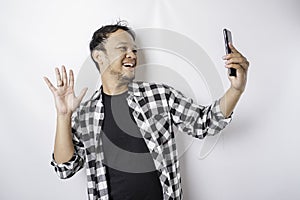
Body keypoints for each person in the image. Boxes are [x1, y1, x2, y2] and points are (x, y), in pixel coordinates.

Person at [43, 21, 249, 200]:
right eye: (122, 48)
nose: (132, 55)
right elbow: (65, 168)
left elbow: (205, 123)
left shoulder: (160, 95)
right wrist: (63, 115)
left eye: (134, 50)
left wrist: (236, 89)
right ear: (99, 56)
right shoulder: (85, 114)